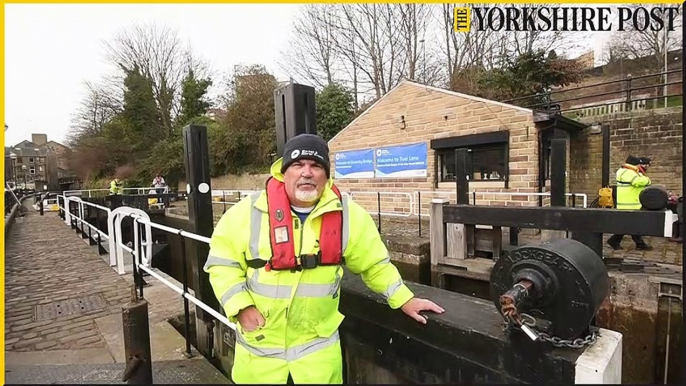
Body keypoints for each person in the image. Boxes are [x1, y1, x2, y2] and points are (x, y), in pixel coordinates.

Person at [204, 134, 444, 384]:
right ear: (283, 173)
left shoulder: (349, 215)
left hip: (317, 355)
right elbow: (222, 264)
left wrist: (404, 299)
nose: (307, 172)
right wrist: (240, 307)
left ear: (326, 175)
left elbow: (375, 265)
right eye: (298, 165)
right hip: (260, 352)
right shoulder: (247, 212)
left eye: (316, 165)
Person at [607, 155, 652, 251]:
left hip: (631, 203)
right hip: (629, 203)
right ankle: (616, 241)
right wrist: (647, 180)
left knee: (630, 225)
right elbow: (637, 182)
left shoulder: (627, 171)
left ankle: (617, 241)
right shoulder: (628, 172)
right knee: (629, 225)